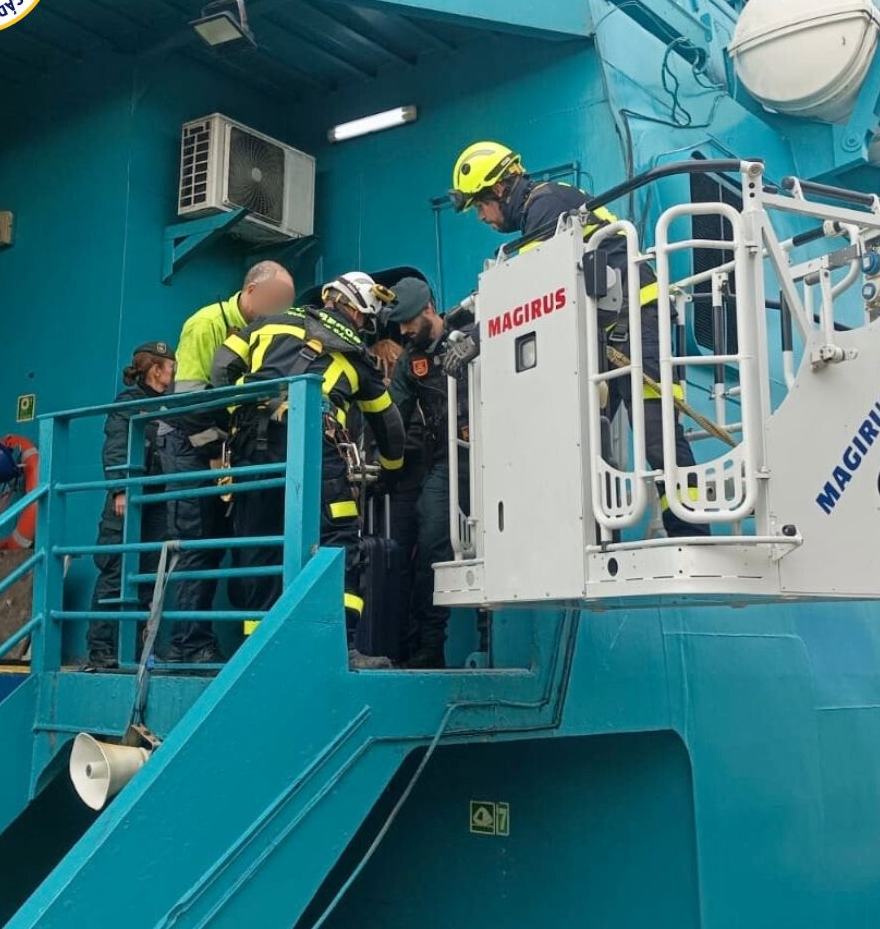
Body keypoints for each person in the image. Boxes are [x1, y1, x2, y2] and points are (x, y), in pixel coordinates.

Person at [449, 140, 707, 538]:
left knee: (658, 434)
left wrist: (478, 337)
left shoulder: (545, 205)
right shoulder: (545, 206)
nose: (482, 217)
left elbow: (534, 288)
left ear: (499, 189)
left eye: (479, 205)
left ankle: (690, 530)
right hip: (613, 330)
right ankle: (605, 533)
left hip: (638, 324)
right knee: (590, 433)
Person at [214, 271, 407, 669]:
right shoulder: (358, 359)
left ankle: (258, 654)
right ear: (358, 313)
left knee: (260, 544)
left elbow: (221, 367)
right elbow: (389, 425)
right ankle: (341, 647)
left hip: (252, 448)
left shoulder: (268, 324)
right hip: (316, 448)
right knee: (340, 541)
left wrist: (239, 413)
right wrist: (392, 469)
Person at [161, 261, 297, 664]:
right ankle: (187, 644)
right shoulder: (205, 325)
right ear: (252, 291)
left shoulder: (265, 334)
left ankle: (212, 640)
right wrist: (213, 456)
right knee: (199, 541)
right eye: (276, 300)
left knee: (231, 539)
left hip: (224, 445)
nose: (281, 309)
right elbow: (190, 398)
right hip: (188, 442)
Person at [85, 342, 175, 670]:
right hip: (129, 501)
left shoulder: (169, 404)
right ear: (156, 369)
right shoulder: (128, 405)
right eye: (170, 365)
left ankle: (138, 649)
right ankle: (102, 649)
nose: (174, 372)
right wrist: (121, 489)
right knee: (116, 571)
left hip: (155, 500)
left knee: (149, 575)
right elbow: (117, 447)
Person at [381, 277, 457, 668]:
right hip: (445, 459)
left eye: (410, 320)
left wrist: (475, 345)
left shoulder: (470, 331)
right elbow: (393, 411)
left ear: (428, 308)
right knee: (430, 540)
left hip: (498, 453)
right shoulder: (411, 360)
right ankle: (430, 647)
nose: (405, 330)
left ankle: (487, 634)